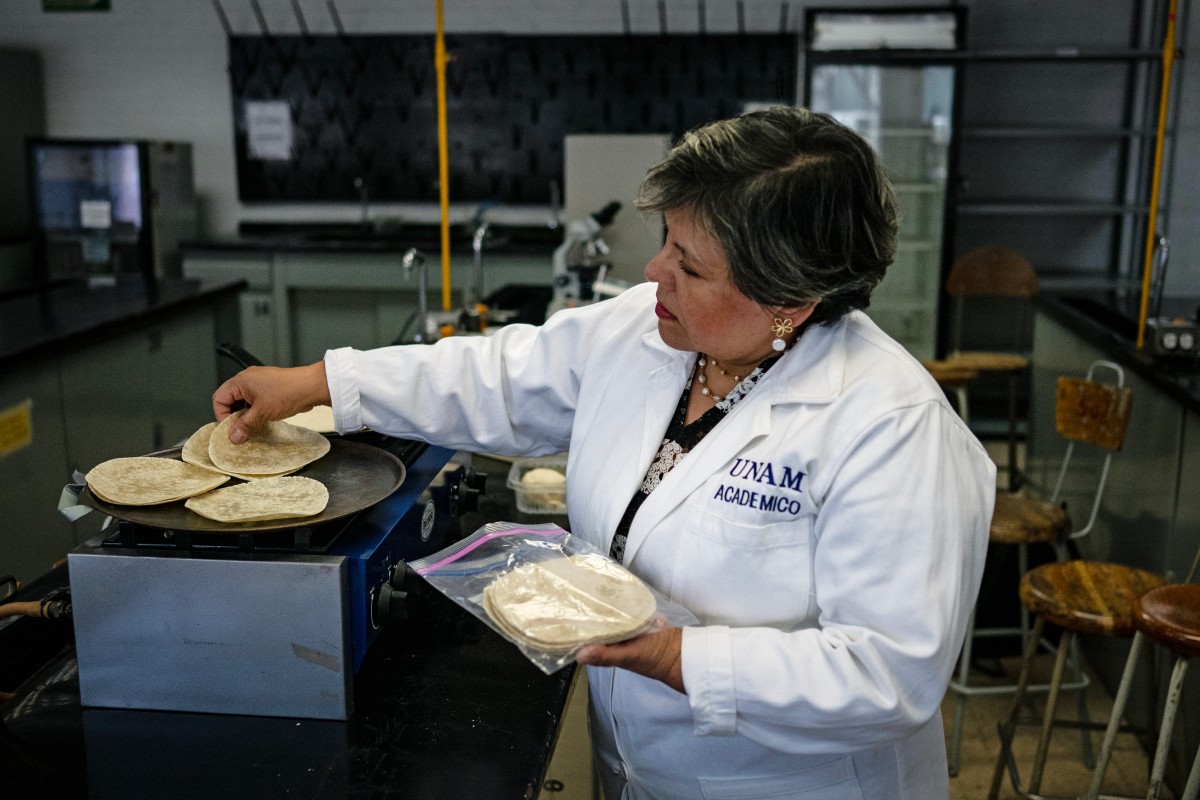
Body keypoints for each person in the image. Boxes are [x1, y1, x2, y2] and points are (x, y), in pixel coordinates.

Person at [213, 106, 995, 800]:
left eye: (690, 265)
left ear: (790, 300)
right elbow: (499, 378)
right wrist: (321, 382)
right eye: (667, 243)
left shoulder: (892, 427)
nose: (655, 271)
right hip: (636, 767)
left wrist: (672, 656)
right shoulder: (651, 331)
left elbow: (886, 677)